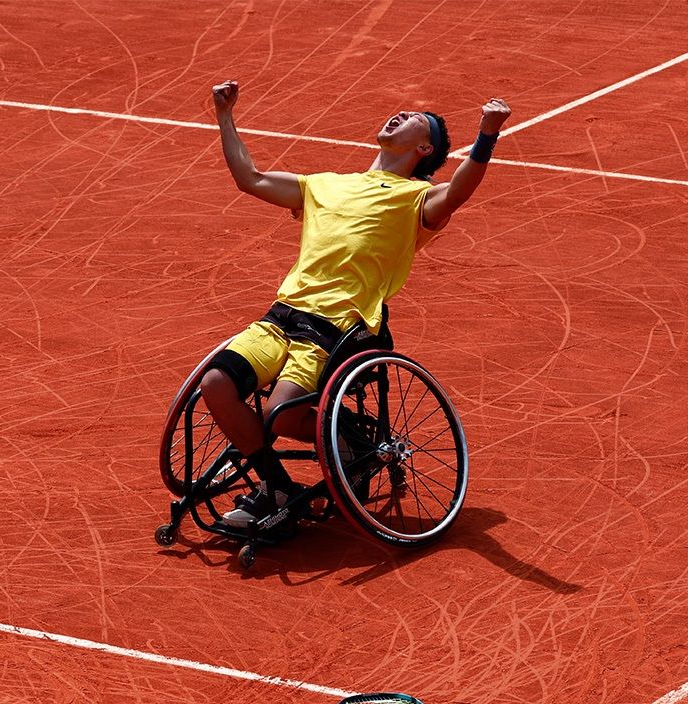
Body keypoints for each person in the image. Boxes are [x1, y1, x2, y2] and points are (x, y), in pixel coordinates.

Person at [200, 79, 511, 526]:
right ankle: (278, 487)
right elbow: (250, 178)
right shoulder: (324, 185)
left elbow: (459, 190)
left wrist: (487, 133)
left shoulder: (417, 199)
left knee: (281, 415)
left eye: (415, 119)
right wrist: (224, 116)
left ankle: (351, 438)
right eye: (401, 111)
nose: (401, 114)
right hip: (282, 314)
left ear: (425, 148)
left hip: (338, 326)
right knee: (215, 384)